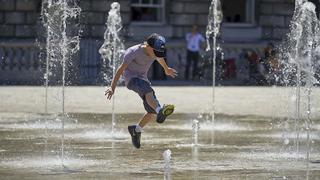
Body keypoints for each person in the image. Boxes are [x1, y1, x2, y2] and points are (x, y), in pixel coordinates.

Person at [105, 33, 177, 149]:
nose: (157, 55)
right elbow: (120, 70)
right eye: (156, 52)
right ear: (148, 46)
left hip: (143, 79)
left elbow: (159, 58)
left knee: (151, 110)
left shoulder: (155, 51)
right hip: (131, 80)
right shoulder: (133, 52)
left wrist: (166, 69)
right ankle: (160, 111)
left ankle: (136, 129)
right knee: (147, 91)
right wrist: (112, 87)